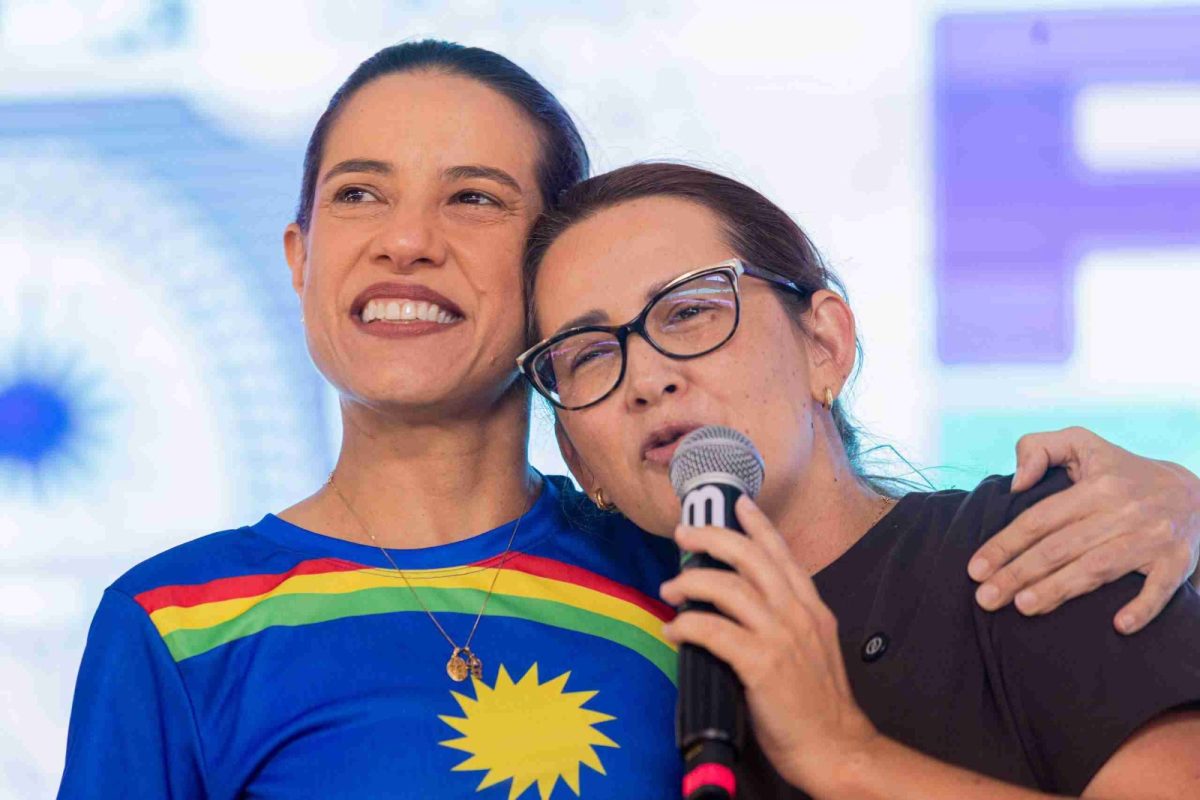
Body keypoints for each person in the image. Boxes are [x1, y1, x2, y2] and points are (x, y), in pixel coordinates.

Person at [57, 41, 1200, 799]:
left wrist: (1173, 500)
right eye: (359, 192)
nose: (406, 239)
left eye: (474, 197)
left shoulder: (692, 567)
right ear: (299, 255)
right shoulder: (173, 619)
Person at [518, 161, 1200, 799]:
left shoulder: (1030, 542)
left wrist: (847, 756)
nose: (646, 378)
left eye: (690, 311)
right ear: (578, 458)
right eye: (587, 356)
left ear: (825, 345)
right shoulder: (588, 646)